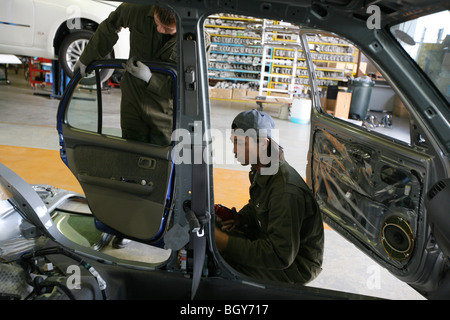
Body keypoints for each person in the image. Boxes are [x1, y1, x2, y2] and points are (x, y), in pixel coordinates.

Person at [215, 109, 324, 285]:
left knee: (220, 263)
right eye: (233, 143)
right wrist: (241, 218)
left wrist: (224, 243)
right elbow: (257, 205)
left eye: (241, 144)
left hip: (295, 266)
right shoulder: (263, 168)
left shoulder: (286, 192)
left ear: (264, 144)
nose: (234, 150)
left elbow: (280, 256)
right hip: (273, 241)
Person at [74, 4, 178, 146]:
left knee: (162, 161)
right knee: (131, 156)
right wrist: (86, 58)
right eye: (156, 22)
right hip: (133, 103)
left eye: (167, 29)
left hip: (164, 112)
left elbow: (189, 88)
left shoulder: (196, 39)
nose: (160, 29)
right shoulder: (139, 7)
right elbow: (111, 24)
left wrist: (151, 78)